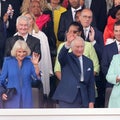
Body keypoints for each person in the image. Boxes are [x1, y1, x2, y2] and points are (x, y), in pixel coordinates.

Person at [53, 36, 95, 108]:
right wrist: (68, 44)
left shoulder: (89, 62)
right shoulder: (66, 58)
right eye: (77, 47)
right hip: (67, 97)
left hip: (83, 98)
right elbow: (61, 56)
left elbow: (91, 83)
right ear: (71, 48)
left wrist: (91, 101)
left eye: (82, 47)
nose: (80, 49)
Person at [22, 11, 53, 103]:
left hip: (39, 65)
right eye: (25, 18)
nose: (27, 21)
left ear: (33, 20)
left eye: (29, 18)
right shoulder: (16, 36)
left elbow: (46, 54)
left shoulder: (41, 35)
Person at [0, 40, 41, 108]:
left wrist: (36, 65)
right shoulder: (8, 62)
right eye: (19, 51)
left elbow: (36, 77)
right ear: (15, 51)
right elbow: (1, 80)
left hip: (26, 97)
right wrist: (2, 93)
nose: (22, 54)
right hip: (11, 98)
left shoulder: (30, 61)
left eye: (24, 51)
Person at [101, 20, 120, 107]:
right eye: (116, 31)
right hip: (111, 85)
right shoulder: (107, 48)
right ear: (113, 32)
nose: (118, 33)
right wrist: (115, 78)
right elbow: (104, 66)